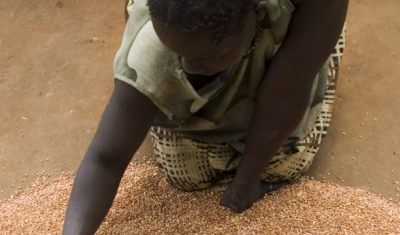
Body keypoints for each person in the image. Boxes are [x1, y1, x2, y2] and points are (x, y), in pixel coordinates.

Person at [63, 0, 348, 234]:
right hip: (199, 31)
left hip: (288, 38)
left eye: (205, 58)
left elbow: (284, 94)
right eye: (179, 54)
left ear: (256, 16)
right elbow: (105, 158)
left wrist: (246, 182)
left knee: (285, 166)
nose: (188, 66)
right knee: (185, 175)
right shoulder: (162, 37)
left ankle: (322, 40)